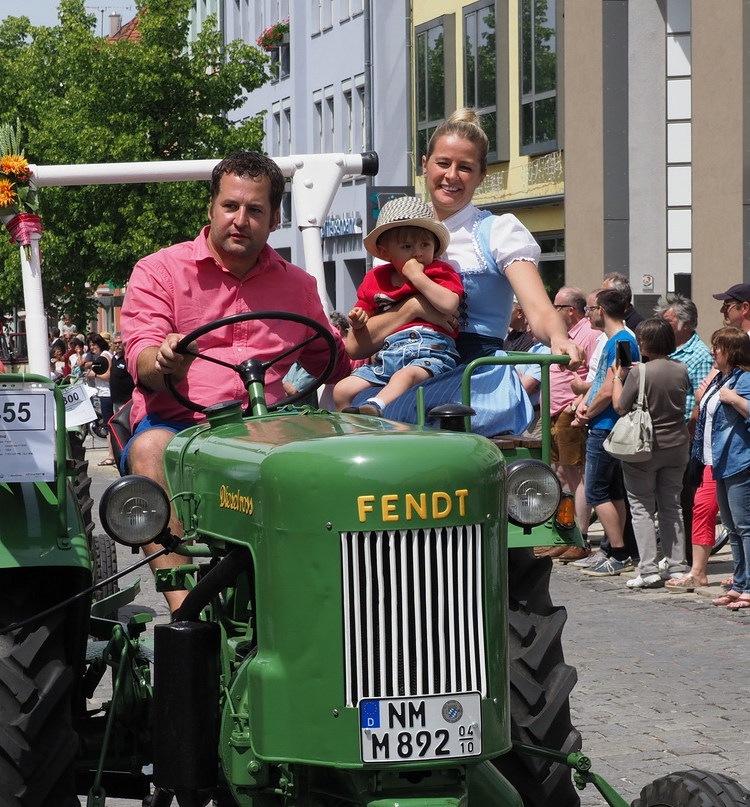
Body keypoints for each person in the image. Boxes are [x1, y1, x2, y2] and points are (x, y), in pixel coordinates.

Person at [120, 152, 344, 609]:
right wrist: (164, 361)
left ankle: (322, 600)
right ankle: (185, 610)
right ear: (211, 208)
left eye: (255, 210)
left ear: (275, 218)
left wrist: (371, 338)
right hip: (183, 428)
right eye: (230, 206)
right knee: (147, 450)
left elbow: (333, 360)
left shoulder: (299, 287)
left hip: (271, 429)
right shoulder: (159, 270)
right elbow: (140, 355)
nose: (240, 220)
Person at [354, 107, 584, 425]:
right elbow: (362, 339)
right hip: (401, 362)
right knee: (350, 403)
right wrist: (410, 311)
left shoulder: (498, 231)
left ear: (481, 175)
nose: (451, 176)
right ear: (424, 165)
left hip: (475, 370)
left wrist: (559, 338)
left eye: (465, 167)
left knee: (411, 412)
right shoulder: (392, 242)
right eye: (443, 163)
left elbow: (539, 310)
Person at [338, 197, 465, 418]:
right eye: (407, 247)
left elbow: (449, 304)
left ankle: (376, 406)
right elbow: (363, 312)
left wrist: (417, 276)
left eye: (425, 245)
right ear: (386, 253)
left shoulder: (438, 271)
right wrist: (359, 319)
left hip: (429, 350)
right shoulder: (375, 278)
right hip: (388, 354)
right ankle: (346, 431)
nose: (418, 253)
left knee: (405, 376)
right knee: (342, 389)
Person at [612, 319, 691, 589]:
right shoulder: (681, 368)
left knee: (642, 508)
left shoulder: (638, 373)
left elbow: (620, 406)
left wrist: (617, 378)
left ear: (645, 343)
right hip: (677, 445)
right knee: (672, 506)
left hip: (645, 448)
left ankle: (647, 569)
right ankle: (678, 565)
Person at [705, 327, 750, 609]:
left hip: (744, 461)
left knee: (748, 526)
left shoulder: (746, 379)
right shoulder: (725, 378)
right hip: (725, 462)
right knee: (734, 528)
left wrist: (735, 399)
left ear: (731, 352)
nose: (713, 352)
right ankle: (740, 584)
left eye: (717, 348)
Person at [572, 287, 641, 575]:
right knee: (612, 492)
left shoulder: (622, 341)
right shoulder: (615, 340)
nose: (587, 314)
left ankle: (619, 552)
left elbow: (611, 385)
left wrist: (588, 411)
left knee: (597, 491)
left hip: (606, 426)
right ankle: (614, 549)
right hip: (604, 424)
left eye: (589, 309)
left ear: (601, 309)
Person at [534, 288, 601, 563]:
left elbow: (596, 376)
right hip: (554, 410)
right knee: (561, 475)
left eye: (556, 306)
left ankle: (580, 537)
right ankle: (564, 533)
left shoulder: (590, 335)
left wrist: (577, 405)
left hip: (568, 411)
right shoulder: (564, 337)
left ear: (570, 310)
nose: (552, 311)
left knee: (576, 475)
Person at [662, 295, 717, 591]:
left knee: (688, 498)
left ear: (684, 323)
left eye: (668, 320)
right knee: (675, 496)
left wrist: (690, 434)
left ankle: (685, 557)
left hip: (687, 435)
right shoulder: (673, 351)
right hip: (674, 434)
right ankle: (678, 554)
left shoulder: (697, 354)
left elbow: (699, 401)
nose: (664, 324)